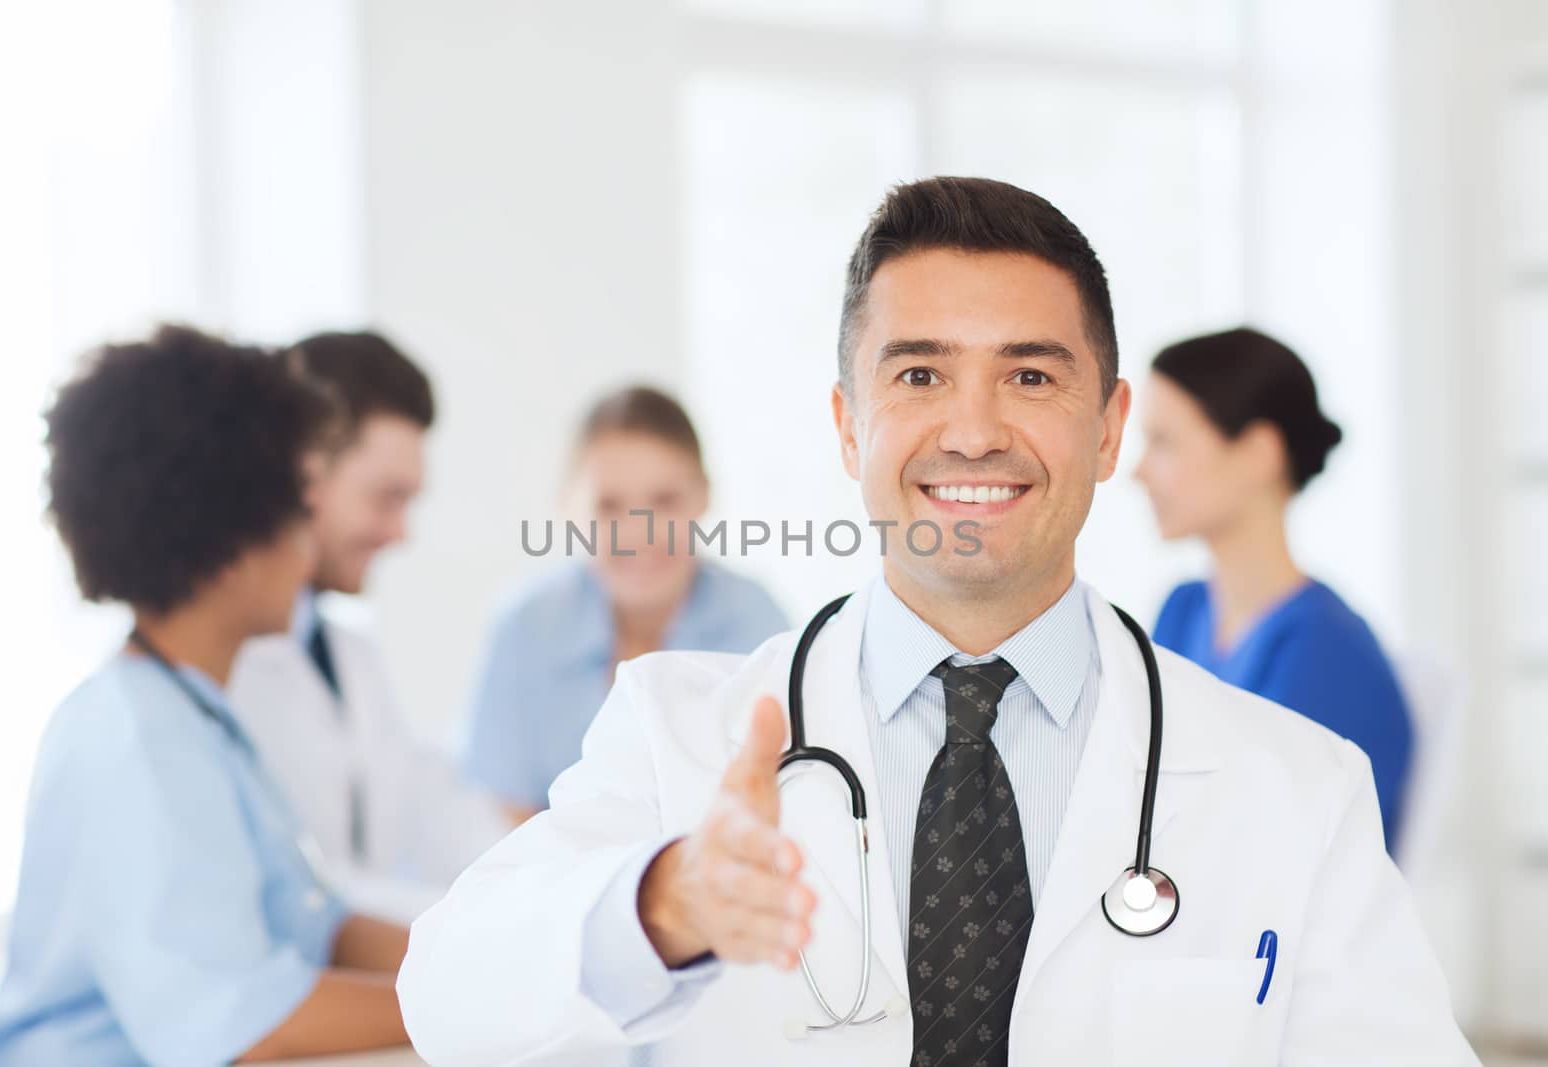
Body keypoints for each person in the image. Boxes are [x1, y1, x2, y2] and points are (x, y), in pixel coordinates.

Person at [395, 178, 1475, 1065]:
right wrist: (663, 903)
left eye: (1029, 374)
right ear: (845, 423)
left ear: (1107, 431)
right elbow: (445, 996)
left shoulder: (1297, 785)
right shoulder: (679, 731)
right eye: (919, 372)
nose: (973, 430)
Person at [0, 327, 410, 1065]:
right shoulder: (138, 740)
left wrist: (495, 962)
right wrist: (476, 1007)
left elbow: (321, 924)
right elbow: (245, 1023)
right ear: (224, 540)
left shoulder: (195, 717)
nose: (309, 537)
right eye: (295, 505)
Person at [228, 330, 509, 903]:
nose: (400, 533)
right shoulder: (219, 666)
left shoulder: (348, 656)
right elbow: (299, 896)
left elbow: (437, 812)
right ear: (303, 476)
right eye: (387, 497)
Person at [1133, 327, 1414, 853]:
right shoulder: (1184, 610)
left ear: (1259, 453)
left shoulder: (1326, 651)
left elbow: (1269, 852)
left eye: (1165, 442)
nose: (1138, 472)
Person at [460, 385, 788, 826]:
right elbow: (503, 818)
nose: (639, 533)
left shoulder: (757, 622)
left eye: (664, 502)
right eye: (609, 507)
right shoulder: (525, 628)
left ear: (704, 496)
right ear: (566, 507)